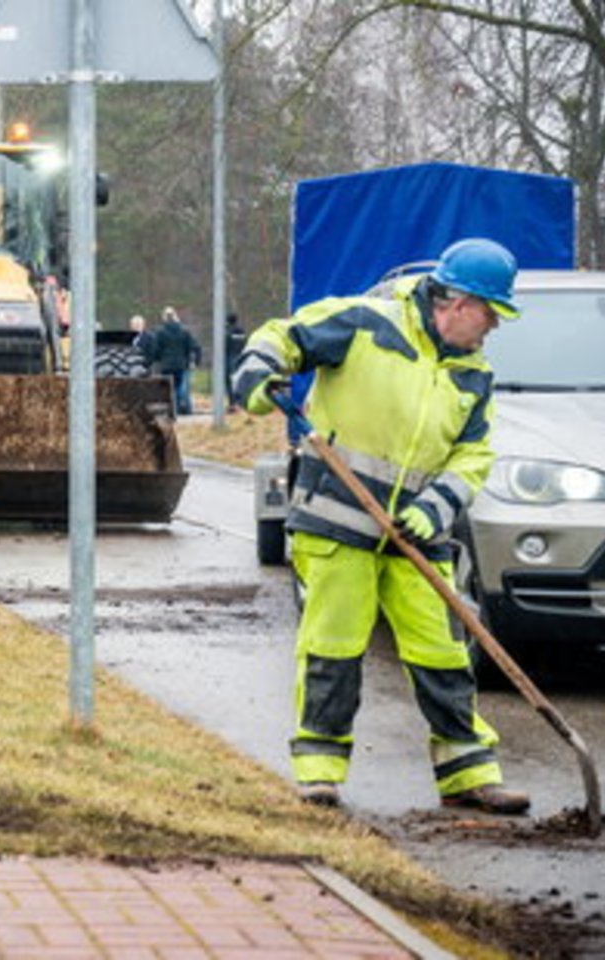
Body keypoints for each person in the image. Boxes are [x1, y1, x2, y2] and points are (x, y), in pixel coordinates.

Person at [231, 237, 530, 815]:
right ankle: (318, 773)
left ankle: (468, 773)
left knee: (444, 652)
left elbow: (473, 458)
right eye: (491, 314)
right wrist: (259, 375)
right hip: (337, 522)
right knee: (334, 648)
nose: (492, 328)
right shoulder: (367, 323)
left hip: (416, 535)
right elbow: (282, 336)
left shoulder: (474, 375)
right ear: (458, 303)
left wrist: (435, 506)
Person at [151, 306, 201, 415]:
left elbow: (155, 349)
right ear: (175, 316)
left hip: (166, 365)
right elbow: (193, 347)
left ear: (164, 317)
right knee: (181, 387)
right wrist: (194, 361)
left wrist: (157, 359)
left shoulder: (160, 332)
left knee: (168, 388)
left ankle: (171, 410)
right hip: (181, 364)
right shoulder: (184, 331)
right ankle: (182, 408)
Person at [224, 312, 247, 411]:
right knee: (240, 381)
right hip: (241, 359)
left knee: (230, 382)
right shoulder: (242, 332)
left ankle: (232, 403)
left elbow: (224, 346)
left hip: (230, 359)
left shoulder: (227, 332)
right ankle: (240, 402)